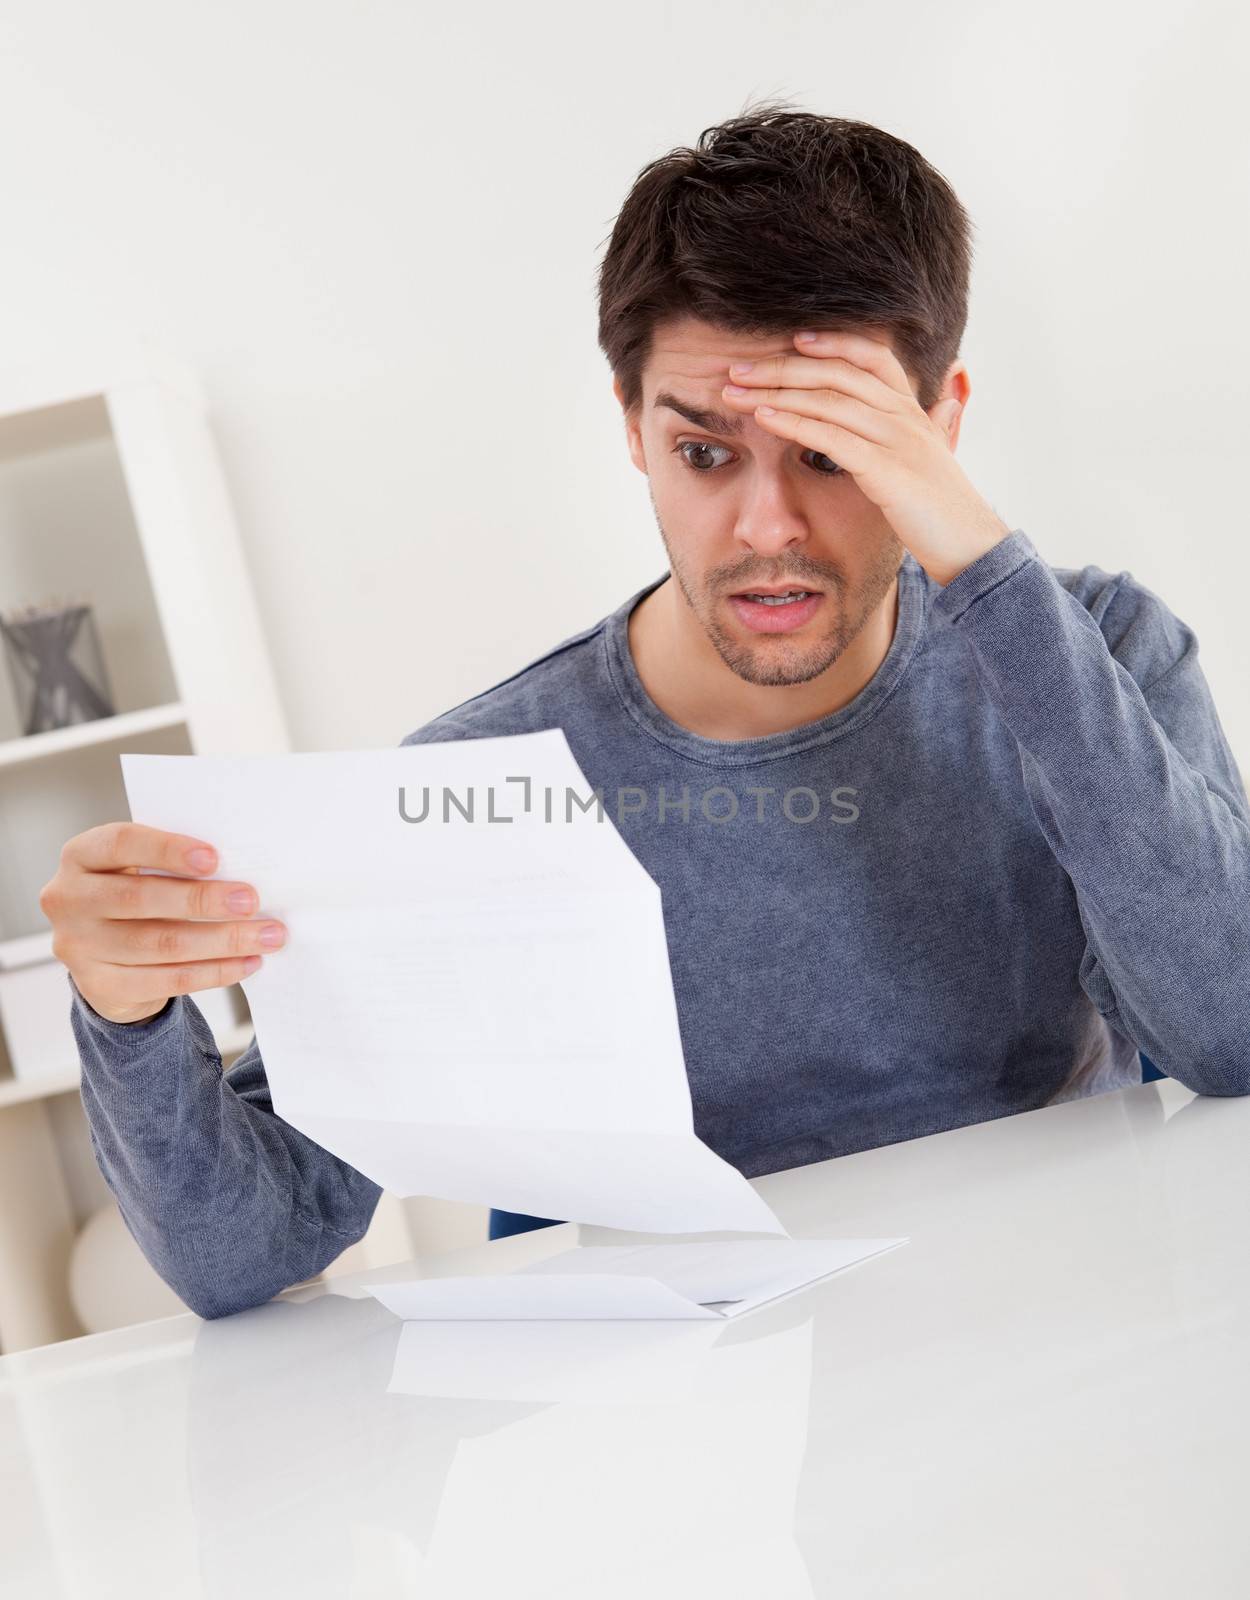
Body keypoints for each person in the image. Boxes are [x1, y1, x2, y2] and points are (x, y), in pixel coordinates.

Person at [43, 104, 1250, 1319]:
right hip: (697, 1450)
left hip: (1074, 1349)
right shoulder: (484, 780)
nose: (767, 525)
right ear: (633, 428)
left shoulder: (1095, 654)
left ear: (938, 430)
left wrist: (987, 572)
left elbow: (1231, 1032)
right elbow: (241, 1254)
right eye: (706, 454)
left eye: (832, 451)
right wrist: (126, 1007)